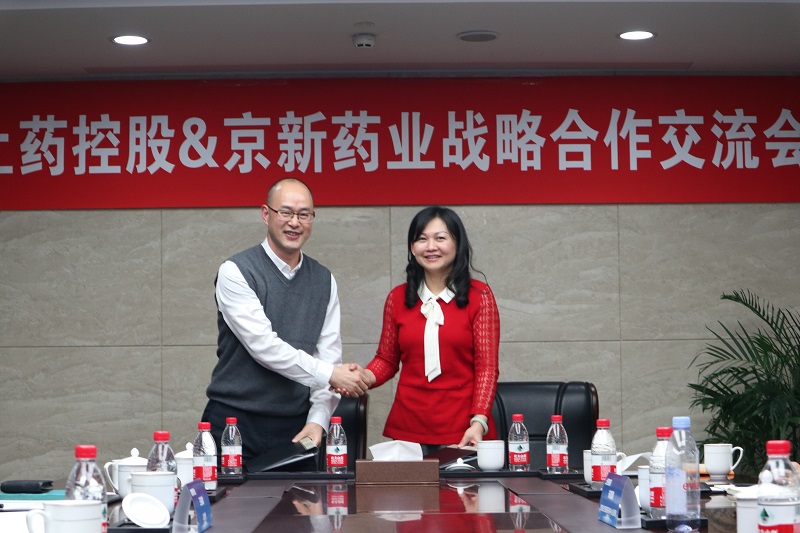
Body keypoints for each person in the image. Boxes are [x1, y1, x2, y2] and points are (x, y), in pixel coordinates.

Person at [201, 177, 367, 468]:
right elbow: (265, 347)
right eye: (286, 212)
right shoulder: (236, 271)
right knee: (227, 500)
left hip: (296, 427)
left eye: (304, 214)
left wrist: (318, 420)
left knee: (302, 500)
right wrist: (331, 374)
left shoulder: (324, 280)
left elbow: (328, 355)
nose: (294, 222)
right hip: (234, 424)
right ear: (266, 214)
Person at [357, 206, 500, 451]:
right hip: (408, 427)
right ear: (413, 248)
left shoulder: (480, 296)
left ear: (457, 244)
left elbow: (486, 368)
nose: (431, 246)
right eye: (422, 239)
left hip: (464, 429)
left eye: (440, 238)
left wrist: (478, 421)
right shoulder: (397, 298)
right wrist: (361, 378)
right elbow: (387, 360)